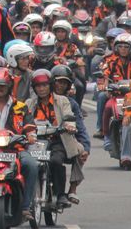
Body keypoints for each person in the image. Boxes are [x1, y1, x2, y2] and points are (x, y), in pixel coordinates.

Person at [0, 67, 38, 222]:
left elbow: (29, 126)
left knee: (31, 164)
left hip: (15, 149)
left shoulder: (21, 107)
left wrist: (30, 135)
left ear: (9, 87)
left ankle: (25, 207)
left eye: (2, 86)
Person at [25, 69, 80, 208]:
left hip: (56, 140)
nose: (42, 89)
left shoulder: (62, 101)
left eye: (44, 85)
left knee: (56, 161)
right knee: (25, 163)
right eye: (38, 86)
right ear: (34, 88)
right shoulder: (29, 103)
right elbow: (22, 121)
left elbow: (68, 116)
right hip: (35, 141)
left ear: (50, 85)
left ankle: (61, 195)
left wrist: (69, 126)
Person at [50, 65, 90, 204]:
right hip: (39, 141)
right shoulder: (35, 100)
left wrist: (86, 147)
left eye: (64, 83)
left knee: (79, 150)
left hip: (62, 141)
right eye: (58, 82)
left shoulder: (71, 104)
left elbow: (80, 127)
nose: (60, 85)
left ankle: (72, 189)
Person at [96, 33, 131, 139]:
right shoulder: (110, 61)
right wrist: (104, 85)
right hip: (115, 94)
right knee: (103, 99)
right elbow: (105, 75)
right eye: (120, 46)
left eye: (126, 47)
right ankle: (102, 130)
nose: (123, 49)